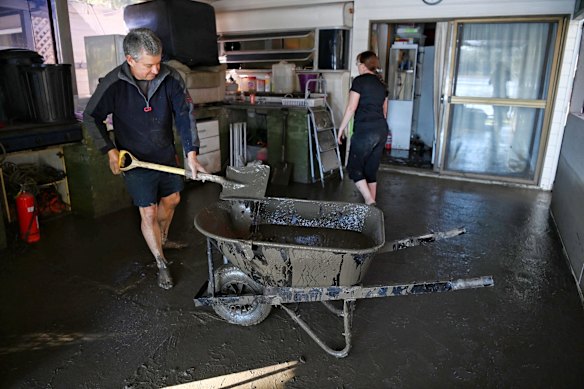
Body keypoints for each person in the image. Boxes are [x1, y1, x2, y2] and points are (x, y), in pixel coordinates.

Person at [83, 28, 206, 290]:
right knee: (148, 211)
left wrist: (191, 154)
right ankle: (161, 261)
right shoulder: (113, 83)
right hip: (134, 160)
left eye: (159, 62)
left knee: (172, 200)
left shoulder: (171, 77)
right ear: (130, 60)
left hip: (164, 154)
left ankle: (163, 238)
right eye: (149, 65)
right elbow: (91, 117)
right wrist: (110, 150)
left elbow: (185, 114)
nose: (155, 69)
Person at [337, 51, 388, 206]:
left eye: (358, 63)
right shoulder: (382, 84)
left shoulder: (359, 81)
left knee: (353, 167)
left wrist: (341, 129)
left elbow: (352, 107)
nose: (357, 67)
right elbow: (385, 112)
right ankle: (371, 208)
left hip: (366, 130)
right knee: (371, 170)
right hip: (381, 129)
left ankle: (369, 201)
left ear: (364, 65)